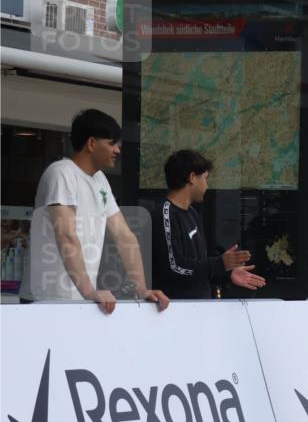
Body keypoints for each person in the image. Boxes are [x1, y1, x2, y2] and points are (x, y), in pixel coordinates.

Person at [19, 109, 168, 314]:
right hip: (47, 299)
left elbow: (125, 236)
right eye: (112, 143)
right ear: (91, 143)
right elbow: (65, 234)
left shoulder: (100, 180)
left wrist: (141, 288)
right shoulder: (61, 173)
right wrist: (90, 291)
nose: (118, 149)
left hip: (81, 300)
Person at [151, 150, 266, 299]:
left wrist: (226, 273)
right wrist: (220, 264)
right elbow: (175, 267)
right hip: (176, 311)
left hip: (201, 308)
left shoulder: (192, 213)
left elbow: (199, 266)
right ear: (192, 178)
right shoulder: (164, 214)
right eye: (205, 178)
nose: (206, 186)